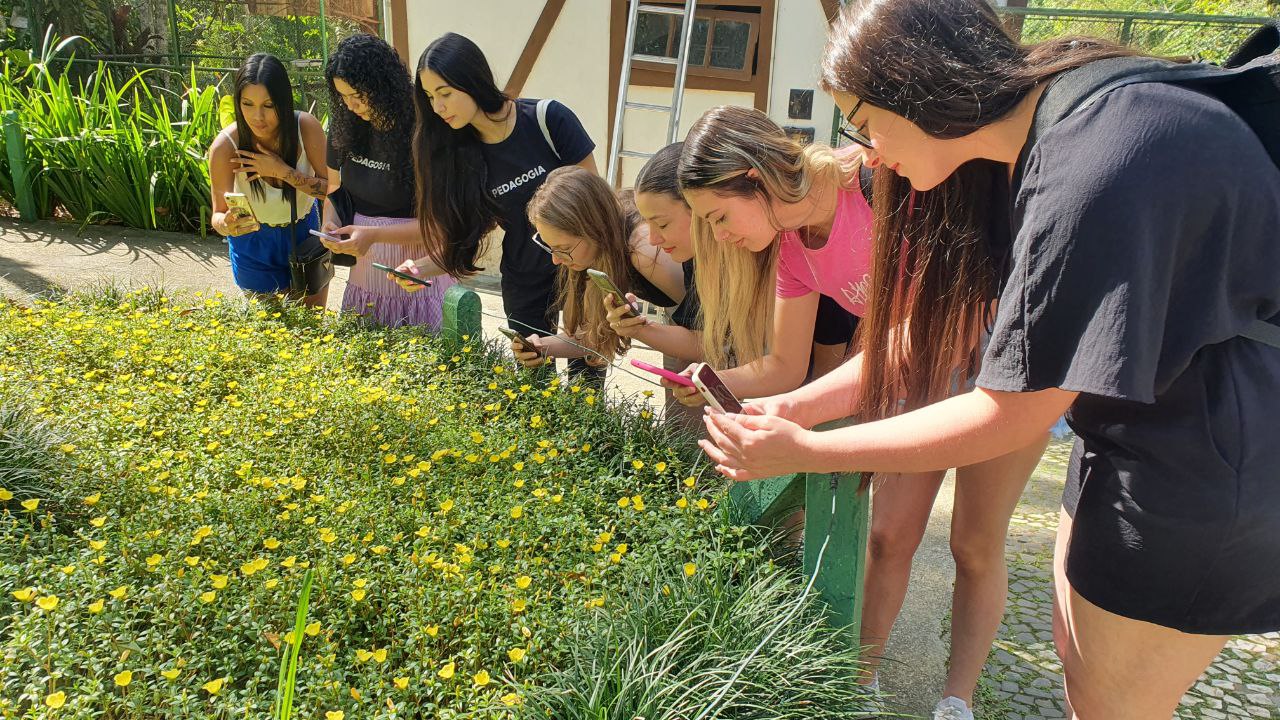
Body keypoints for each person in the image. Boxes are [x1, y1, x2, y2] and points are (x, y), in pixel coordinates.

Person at [703, 1, 1280, 718]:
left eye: (865, 121)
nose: (869, 152)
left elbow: (1010, 413)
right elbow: (940, 329)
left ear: (919, 89)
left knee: (1109, 704)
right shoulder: (1022, 146)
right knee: (1080, 668)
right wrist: (798, 407)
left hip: (1217, 451)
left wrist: (802, 452)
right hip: (1134, 433)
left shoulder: (1092, 160)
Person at [680, 105, 1048, 719]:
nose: (718, 237)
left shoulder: (883, 178)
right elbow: (785, 366)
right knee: (885, 537)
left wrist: (798, 414)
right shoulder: (794, 249)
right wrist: (759, 399)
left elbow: (939, 334)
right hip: (909, 373)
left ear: (753, 177)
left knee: (975, 544)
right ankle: (860, 683)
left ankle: (956, 700)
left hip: (999, 369)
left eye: (718, 216)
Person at [389, 32, 597, 375]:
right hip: (524, 282)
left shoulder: (548, 120)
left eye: (445, 93)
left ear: (473, 81)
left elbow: (594, 204)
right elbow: (468, 237)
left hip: (579, 275)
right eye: (430, 97)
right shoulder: (461, 156)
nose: (438, 107)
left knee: (586, 383)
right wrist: (419, 269)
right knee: (533, 386)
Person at [319, 33, 456, 328]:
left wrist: (374, 235)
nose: (352, 106)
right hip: (365, 274)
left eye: (358, 95)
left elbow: (442, 226)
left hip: (416, 271)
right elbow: (334, 189)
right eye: (343, 97)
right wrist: (329, 225)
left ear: (383, 85)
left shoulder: (426, 128)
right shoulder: (345, 127)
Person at [507, 166, 684, 373]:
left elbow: (709, 329)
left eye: (563, 249)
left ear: (593, 229)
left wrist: (641, 330)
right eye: (549, 247)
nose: (555, 260)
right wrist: (541, 346)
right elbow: (594, 335)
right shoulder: (594, 254)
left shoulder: (644, 249)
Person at [207, 53, 329, 306]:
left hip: (304, 234)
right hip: (253, 243)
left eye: (268, 105)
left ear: (283, 102)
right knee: (270, 334)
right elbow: (217, 215)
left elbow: (335, 192)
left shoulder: (305, 128)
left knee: (312, 329)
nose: (257, 117)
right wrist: (226, 224)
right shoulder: (225, 147)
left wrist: (283, 172)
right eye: (247, 104)